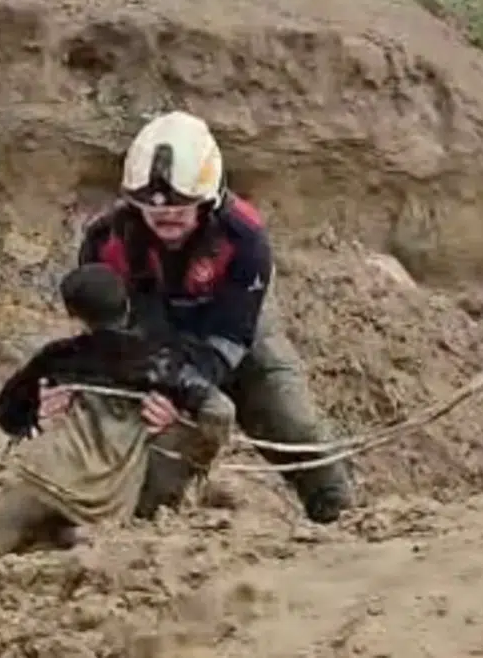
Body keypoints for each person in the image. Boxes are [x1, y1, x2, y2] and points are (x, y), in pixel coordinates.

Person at [76, 110, 354, 524]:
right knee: (159, 452)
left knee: (294, 423)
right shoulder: (105, 244)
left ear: (209, 198)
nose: (167, 214)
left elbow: (232, 336)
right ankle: (142, 522)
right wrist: (149, 387)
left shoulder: (244, 240)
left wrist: (188, 389)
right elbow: (104, 334)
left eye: (181, 205)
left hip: (237, 331)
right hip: (154, 345)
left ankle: (341, 517)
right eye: (153, 208)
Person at [0, 263, 236, 566]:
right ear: (127, 306)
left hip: (44, 480)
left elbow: (5, 413)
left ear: (74, 316)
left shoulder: (57, 358)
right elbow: (220, 412)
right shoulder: (161, 362)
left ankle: (45, 538)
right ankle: (71, 535)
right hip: (109, 503)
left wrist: (38, 418)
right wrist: (195, 447)